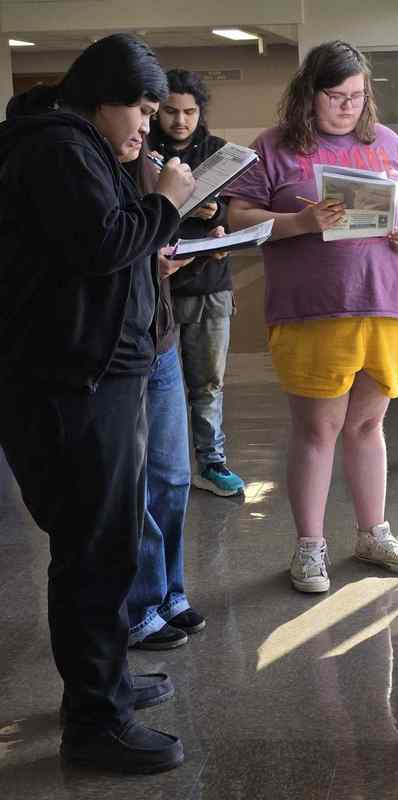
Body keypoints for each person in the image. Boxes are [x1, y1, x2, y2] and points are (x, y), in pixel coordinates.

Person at [0, 34, 195, 773]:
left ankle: (101, 684)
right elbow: (102, 241)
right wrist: (165, 204)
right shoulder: (57, 148)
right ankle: (96, 724)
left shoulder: (83, 149)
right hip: (70, 387)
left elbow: (102, 249)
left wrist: (154, 231)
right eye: (140, 108)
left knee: (106, 547)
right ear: (101, 99)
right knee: (94, 553)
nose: (147, 124)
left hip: (96, 379)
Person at [225, 40, 398, 593]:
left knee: (369, 425)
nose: (348, 107)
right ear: (309, 95)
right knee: (318, 429)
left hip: (385, 303)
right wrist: (303, 221)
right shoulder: (274, 148)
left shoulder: (388, 143)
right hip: (313, 310)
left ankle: (373, 534)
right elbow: (240, 216)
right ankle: (309, 548)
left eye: (358, 97)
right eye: (337, 96)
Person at [122, 144, 219, 651]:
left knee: (173, 477)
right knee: (135, 486)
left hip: (161, 339)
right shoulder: (93, 171)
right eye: (139, 110)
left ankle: (169, 594)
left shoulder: (149, 168)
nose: (145, 125)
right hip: (123, 349)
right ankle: (141, 604)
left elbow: (150, 246)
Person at [148, 69, 245, 497]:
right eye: (170, 111)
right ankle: (163, 468)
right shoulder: (143, 151)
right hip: (159, 288)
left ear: (200, 112)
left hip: (210, 285)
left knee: (207, 383)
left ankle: (211, 462)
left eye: (189, 111)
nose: (180, 120)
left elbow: (237, 212)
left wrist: (216, 217)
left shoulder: (218, 153)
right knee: (160, 387)